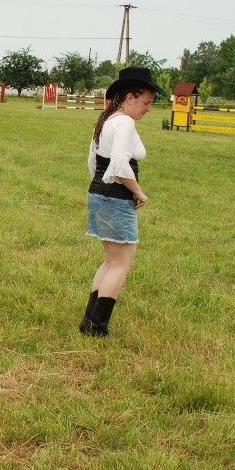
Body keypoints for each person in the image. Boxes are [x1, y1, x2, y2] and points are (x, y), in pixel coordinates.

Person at [79, 66, 166, 336]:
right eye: (146, 102)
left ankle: (89, 321)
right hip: (115, 200)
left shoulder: (107, 120)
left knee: (110, 261)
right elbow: (118, 165)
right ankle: (97, 327)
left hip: (100, 195)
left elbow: (93, 163)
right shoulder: (125, 123)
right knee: (120, 264)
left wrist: (101, 191)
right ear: (130, 97)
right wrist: (138, 191)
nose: (148, 108)